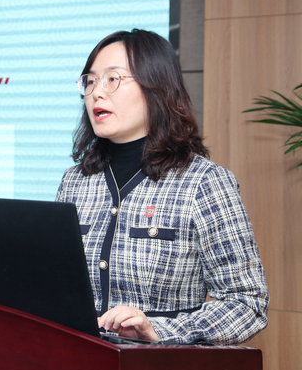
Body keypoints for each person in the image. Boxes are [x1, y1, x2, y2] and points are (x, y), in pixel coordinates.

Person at [55, 29, 268, 345]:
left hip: (159, 364)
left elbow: (247, 302)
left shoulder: (203, 182)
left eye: (112, 79)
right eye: (90, 81)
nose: (97, 93)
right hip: (76, 358)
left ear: (156, 87)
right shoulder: (74, 182)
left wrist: (160, 331)